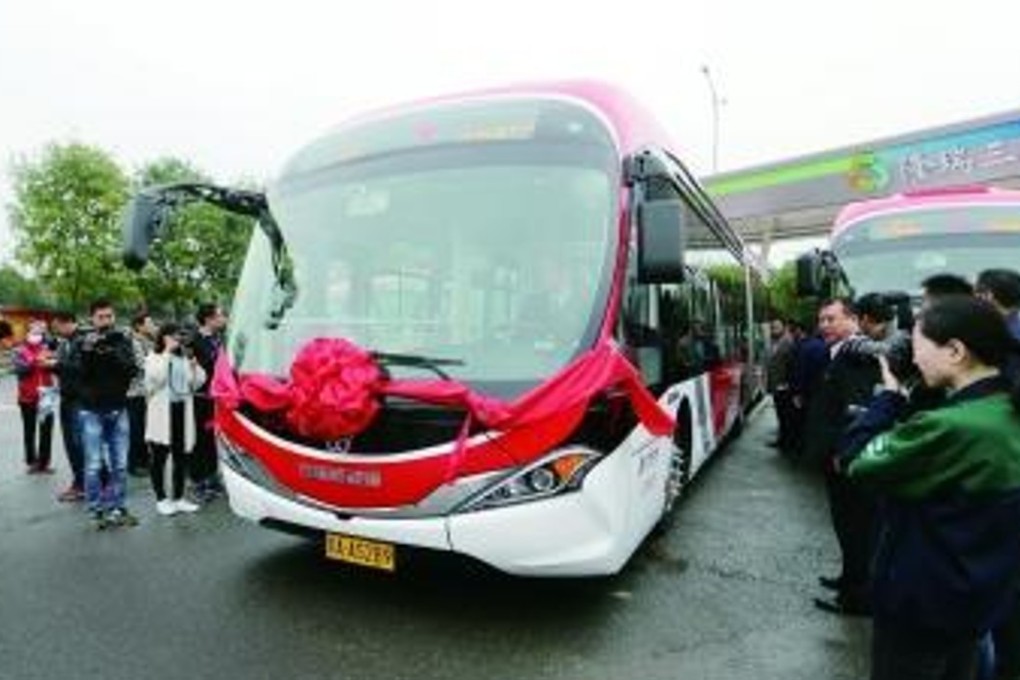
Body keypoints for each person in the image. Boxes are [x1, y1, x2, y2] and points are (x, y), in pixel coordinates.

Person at [842, 296, 1020, 680]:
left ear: (955, 351)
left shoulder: (951, 426)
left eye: (918, 346)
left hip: (923, 607)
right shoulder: (1004, 408)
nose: (915, 358)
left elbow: (857, 462)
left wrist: (888, 398)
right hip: (978, 601)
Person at [805, 298, 882, 617]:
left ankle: (857, 598)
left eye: (831, 319)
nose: (824, 326)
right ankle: (848, 580)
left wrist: (842, 454)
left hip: (846, 461)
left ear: (852, 319)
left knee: (857, 529)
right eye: (821, 320)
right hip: (836, 458)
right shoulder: (841, 353)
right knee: (846, 526)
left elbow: (859, 413)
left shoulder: (857, 357)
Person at [70, 299, 140, 529]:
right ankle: (96, 509)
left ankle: (118, 507)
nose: (106, 321)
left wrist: (111, 352)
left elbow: (132, 370)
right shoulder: (80, 342)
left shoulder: (122, 340)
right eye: (101, 317)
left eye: (109, 316)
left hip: (118, 409)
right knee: (93, 464)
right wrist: (89, 351)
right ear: (92, 318)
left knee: (120, 464)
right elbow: (77, 376)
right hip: (91, 411)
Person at [145, 322, 204, 516]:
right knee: (159, 457)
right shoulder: (154, 357)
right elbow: (157, 378)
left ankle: (178, 498)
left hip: (181, 411)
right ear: (164, 338)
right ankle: (161, 498)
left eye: (179, 337)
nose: (178, 340)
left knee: (181, 457)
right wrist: (167, 353)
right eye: (174, 336)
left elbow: (196, 384)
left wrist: (195, 368)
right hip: (162, 414)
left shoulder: (184, 358)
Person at [190, 303, 227, 501]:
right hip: (200, 398)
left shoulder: (218, 339)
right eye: (220, 316)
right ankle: (198, 481)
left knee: (212, 438)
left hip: (216, 397)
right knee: (199, 440)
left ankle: (213, 477)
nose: (223, 319)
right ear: (208, 319)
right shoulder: (194, 341)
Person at [13, 320, 57, 474]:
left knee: (46, 430)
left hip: (46, 395)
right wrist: (34, 360)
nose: (37, 332)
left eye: (41, 329)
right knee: (29, 430)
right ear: (28, 331)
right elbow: (19, 370)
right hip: (27, 397)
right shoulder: (20, 349)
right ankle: (32, 462)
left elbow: (55, 365)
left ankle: (44, 463)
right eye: (34, 329)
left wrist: (50, 361)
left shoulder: (48, 347)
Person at [52, 311, 85, 501]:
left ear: (68, 323)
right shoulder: (66, 342)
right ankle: (83, 482)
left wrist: (55, 364)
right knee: (73, 443)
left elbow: (79, 369)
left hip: (77, 400)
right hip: (68, 398)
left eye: (57, 326)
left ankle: (82, 485)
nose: (55, 330)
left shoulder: (80, 341)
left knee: (77, 444)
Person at [126, 310, 156, 476]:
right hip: (134, 393)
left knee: (145, 428)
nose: (152, 326)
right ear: (139, 326)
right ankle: (133, 464)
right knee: (135, 429)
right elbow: (141, 364)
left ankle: (144, 460)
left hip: (146, 392)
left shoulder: (149, 340)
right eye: (149, 323)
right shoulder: (133, 342)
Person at [765, 318, 796, 454]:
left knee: (784, 415)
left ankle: (786, 443)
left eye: (777, 327)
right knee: (780, 414)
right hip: (776, 385)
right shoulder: (775, 342)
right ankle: (782, 440)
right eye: (772, 327)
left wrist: (787, 383)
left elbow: (792, 365)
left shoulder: (788, 342)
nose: (774, 330)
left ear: (783, 327)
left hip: (784, 386)